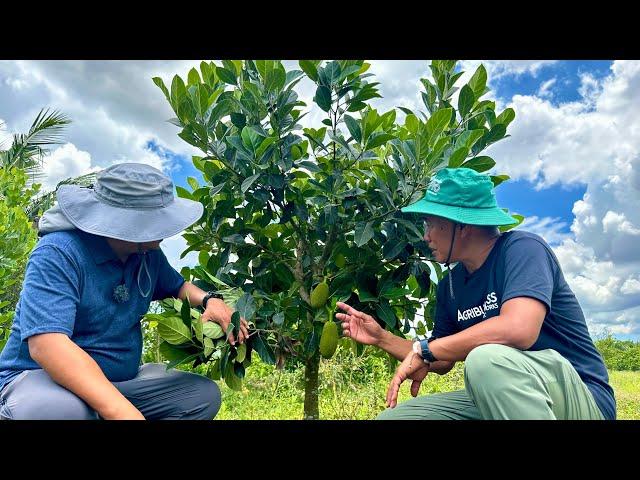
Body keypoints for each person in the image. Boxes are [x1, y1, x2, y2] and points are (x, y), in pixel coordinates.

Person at [336, 167, 615, 420]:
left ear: (463, 225)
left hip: (580, 396)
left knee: (486, 360)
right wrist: (382, 338)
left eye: (431, 224)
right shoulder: (450, 285)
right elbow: (442, 357)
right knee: (395, 419)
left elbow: (519, 329)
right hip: (507, 394)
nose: (426, 236)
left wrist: (426, 350)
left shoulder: (522, 249)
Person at [0, 162, 248, 420]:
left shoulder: (146, 254)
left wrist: (210, 301)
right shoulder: (58, 252)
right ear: (130, 223)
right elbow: (47, 346)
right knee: (60, 412)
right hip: (42, 379)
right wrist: (120, 411)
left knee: (200, 396)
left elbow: (177, 287)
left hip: (117, 382)